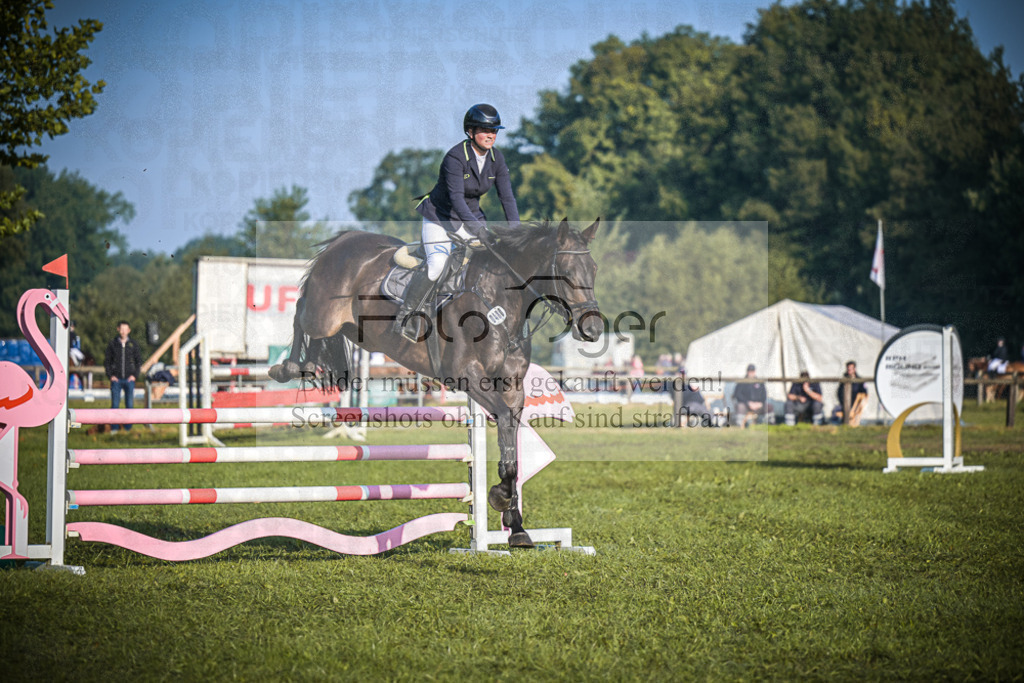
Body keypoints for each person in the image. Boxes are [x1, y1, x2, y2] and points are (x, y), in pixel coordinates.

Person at [396, 103, 520, 339]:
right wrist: (478, 231)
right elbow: (456, 200)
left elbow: (507, 197)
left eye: (494, 130)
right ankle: (407, 314)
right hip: (440, 218)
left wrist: (516, 233)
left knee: (495, 262)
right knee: (437, 266)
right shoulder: (455, 157)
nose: (491, 135)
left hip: (470, 218)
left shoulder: (497, 159)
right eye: (485, 130)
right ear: (470, 132)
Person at [104, 320, 143, 431]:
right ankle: (114, 429)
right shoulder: (112, 344)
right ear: (118, 329)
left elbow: (138, 362)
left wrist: (134, 375)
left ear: (129, 330)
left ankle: (127, 429)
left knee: (129, 405)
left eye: (126, 329)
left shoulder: (133, 345)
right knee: (115, 405)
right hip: (116, 380)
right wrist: (110, 375)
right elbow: (107, 361)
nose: (123, 331)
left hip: (129, 379)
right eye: (121, 329)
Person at [833, 360, 869, 426]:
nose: (849, 370)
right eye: (848, 369)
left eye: (851, 369)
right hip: (845, 404)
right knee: (835, 411)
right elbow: (839, 393)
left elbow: (864, 394)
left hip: (856, 405)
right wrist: (843, 402)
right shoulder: (844, 380)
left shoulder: (860, 380)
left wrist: (858, 404)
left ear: (854, 369)